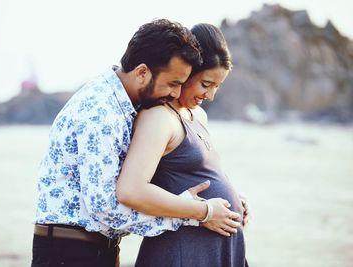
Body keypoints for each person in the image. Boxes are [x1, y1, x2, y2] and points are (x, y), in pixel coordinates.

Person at [31, 19, 242, 267]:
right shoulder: (102, 111)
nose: (175, 93)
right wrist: (197, 214)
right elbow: (105, 206)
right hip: (69, 251)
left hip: (93, 248)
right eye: (173, 83)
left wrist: (225, 196)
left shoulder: (127, 106)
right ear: (142, 72)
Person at [116, 23, 249, 266]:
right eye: (205, 84)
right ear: (186, 73)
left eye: (217, 86)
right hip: (182, 250)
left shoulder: (198, 116)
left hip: (215, 250)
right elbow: (131, 189)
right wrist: (206, 211)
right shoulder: (159, 118)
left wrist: (233, 200)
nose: (210, 96)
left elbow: (196, 174)